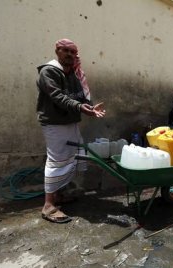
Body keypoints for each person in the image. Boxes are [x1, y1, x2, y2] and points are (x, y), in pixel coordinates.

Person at [36, 38, 106, 223]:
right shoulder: (48, 72)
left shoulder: (73, 75)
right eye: (66, 50)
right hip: (54, 124)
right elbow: (58, 97)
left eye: (73, 52)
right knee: (56, 160)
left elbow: (80, 97)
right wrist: (82, 108)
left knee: (69, 157)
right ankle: (49, 206)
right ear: (57, 51)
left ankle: (58, 195)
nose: (70, 55)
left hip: (69, 123)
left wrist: (89, 109)